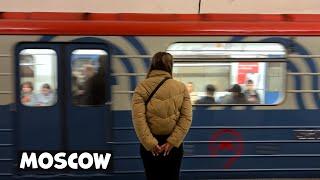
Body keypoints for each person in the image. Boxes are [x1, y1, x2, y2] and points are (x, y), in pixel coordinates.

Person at [131, 52, 192, 180]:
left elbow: (138, 119)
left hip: (150, 147)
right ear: (170, 66)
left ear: (152, 65)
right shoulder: (181, 87)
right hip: (173, 147)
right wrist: (172, 142)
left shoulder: (141, 87)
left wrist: (150, 143)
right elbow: (186, 117)